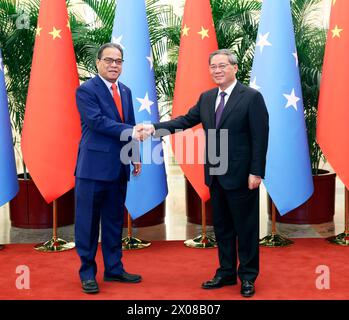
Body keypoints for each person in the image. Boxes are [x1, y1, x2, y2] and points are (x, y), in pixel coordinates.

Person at [140, 49, 269, 297]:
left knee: (246, 228)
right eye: (213, 67)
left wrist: (256, 172)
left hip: (243, 176)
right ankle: (226, 272)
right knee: (221, 227)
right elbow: (184, 121)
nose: (217, 71)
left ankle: (248, 277)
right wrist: (154, 128)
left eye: (222, 66)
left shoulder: (251, 97)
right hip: (216, 172)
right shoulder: (207, 98)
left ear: (234, 68)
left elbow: (260, 138)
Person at [74, 43, 143, 294]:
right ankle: (88, 273)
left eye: (119, 61)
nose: (114, 65)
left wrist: (135, 155)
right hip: (92, 170)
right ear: (98, 63)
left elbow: (131, 124)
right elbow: (97, 122)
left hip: (119, 168)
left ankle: (114, 269)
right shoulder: (86, 90)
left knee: (114, 222)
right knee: (88, 223)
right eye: (109, 60)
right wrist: (131, 131)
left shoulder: (125, 90)